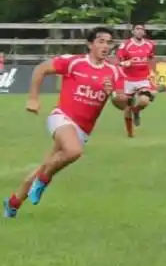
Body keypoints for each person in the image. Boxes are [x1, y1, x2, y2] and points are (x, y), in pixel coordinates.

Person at [4, 28, 127, 218]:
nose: (105, 46)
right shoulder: (74, 62)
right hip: (62, 117)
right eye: (101, 41)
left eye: (109, 42)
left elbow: (121, 103)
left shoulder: (114, 72)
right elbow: (41, 69)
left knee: (46, 164)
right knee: (73, 151)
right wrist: (33, 98)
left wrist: (113, 94)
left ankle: (13, 203)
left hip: (83, 129)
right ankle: (43, 181)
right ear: (90, 44)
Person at [115, 23, 157, 137]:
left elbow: (151, 58)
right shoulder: (126, 45)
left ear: (144, 32)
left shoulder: (150, 44)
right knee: (127, 107)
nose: (139, 31)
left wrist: (153, 71)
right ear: (133, 31)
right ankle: (130, 133)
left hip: (143, 78)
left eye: (141, 29)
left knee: (144, 100)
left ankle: (137, 110)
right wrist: (123, 63)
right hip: (128, 79)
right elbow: (118, 59)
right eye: (137, 29)